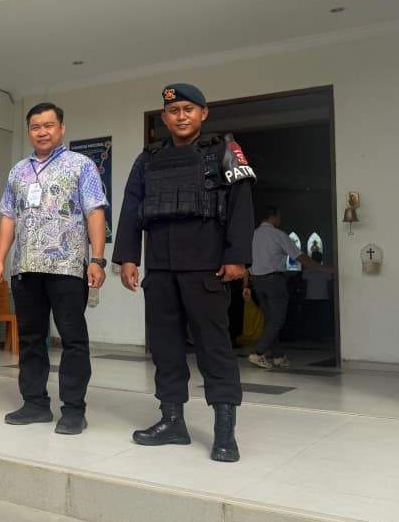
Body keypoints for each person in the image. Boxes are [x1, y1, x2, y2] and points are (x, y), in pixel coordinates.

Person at [113, 83, 255, 462]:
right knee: (165, 348)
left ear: (203, 113)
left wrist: (237, 257)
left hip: (206, 267)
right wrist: (128, 257)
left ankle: (224, 432)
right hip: (160, 268)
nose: (181, 116)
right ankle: (172, 421)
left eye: (189, 109)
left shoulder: (225, 151)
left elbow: (242, 203)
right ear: (164, 118)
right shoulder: (148, 159)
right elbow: (131, 205)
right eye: (174, 111)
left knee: (214, 348)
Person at [0, 103, 108, 435]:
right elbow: (8, 217)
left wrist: (97, 259)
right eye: (35, 127)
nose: (42, 132)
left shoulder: (81, 165)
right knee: (30, 339)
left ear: (61, 128)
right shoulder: (17, 171)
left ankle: (73, 409)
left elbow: (95, 212)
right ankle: (35, 404)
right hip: (26, 269)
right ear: (29, 131)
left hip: (67, 267)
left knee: (72, 339)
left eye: (48, 125)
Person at [243, 206, 314, 369]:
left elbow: (246, 262)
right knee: (277, 319)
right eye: (279, 217)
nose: (280, 221)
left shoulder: (251, 236)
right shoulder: (278, 235)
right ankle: (257, 353)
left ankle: (278, 356)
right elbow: (298, 255)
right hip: (274, 281)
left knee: (270, 320)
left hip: (256, 282)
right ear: (273, 217)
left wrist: (245, 285)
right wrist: (317, 266)